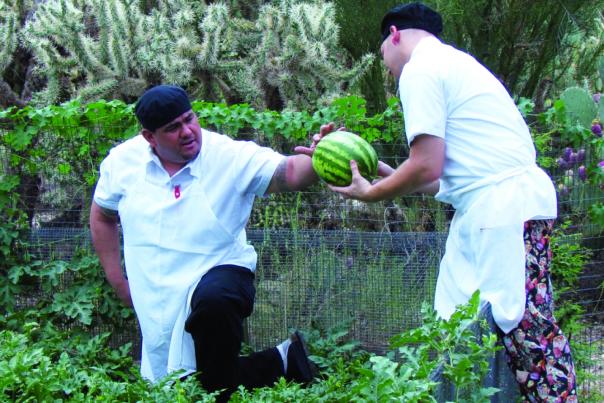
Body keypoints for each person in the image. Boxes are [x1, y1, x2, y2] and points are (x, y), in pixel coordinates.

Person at [314, 3, 577, 401]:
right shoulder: (454, 64)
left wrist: (369, 195)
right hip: (491, 207)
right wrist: (380, 172)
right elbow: (441, 179)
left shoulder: (420, 69)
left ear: (395, 34)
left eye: (382, 50)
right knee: (462, 327)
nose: (384, 64)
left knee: (525, 330)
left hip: (504, 210)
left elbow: (425, 165)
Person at [89, 85, 321, 400]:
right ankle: (282, 361)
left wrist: (320, 157)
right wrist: (118, 282)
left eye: (190, 119)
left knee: (215, 300)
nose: (187, 132)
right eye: (173, 128)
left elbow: (290, 172)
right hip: (156, 286)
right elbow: (102, 215)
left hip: (223, 271)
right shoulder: (123, 163)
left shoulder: (228, 155)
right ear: (149, 137)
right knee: (182, 383)